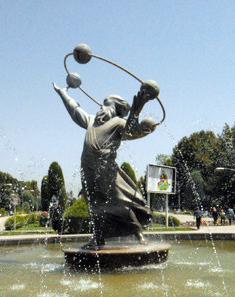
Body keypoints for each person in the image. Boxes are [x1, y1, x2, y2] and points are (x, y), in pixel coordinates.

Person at [53, 80, 159, 246]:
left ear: (116, 107)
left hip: (106, 170)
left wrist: (137, 110)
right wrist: (62, 93)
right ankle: (98, 238)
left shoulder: (118, 123)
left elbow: (131, 130)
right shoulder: (91, 121)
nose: (102, 107)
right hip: (88, 171)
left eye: (107, 103)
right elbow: (74, 110)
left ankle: (139, 235)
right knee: (94, 205)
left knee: (119, 201)